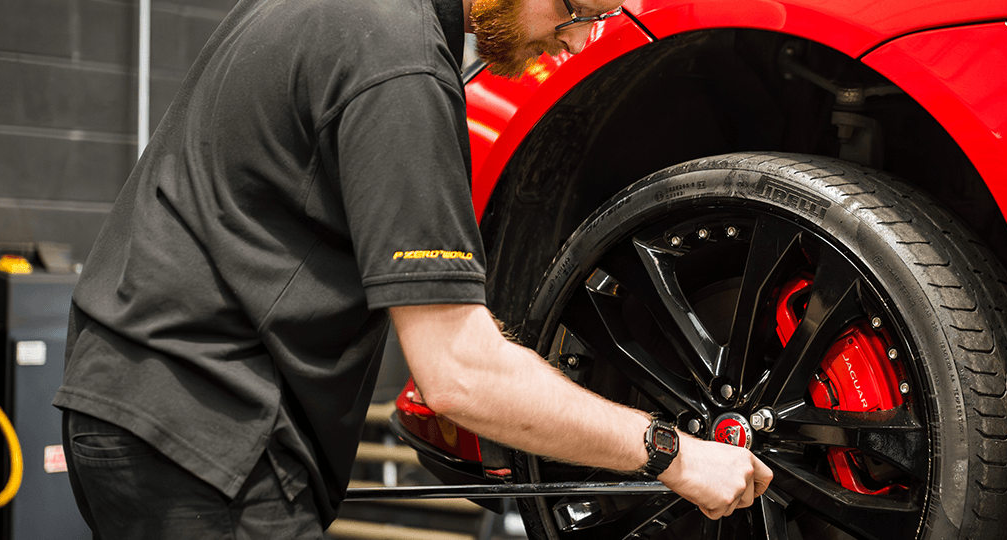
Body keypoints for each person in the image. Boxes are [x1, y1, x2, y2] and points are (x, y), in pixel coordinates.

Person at [53, 0, 773, 537]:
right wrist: (671, 454)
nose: (582, 38)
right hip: (207, 434)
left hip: (130, 406)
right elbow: (457, 374)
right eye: (577, 7)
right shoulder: (396, 62)